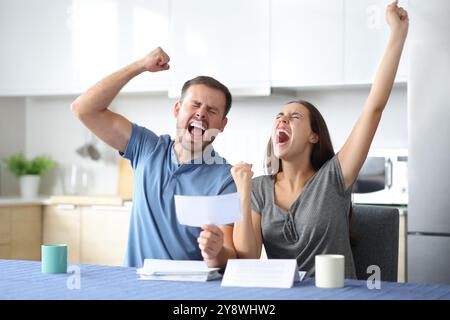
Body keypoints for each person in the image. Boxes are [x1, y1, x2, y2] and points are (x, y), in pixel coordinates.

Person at [231, 0, 409, 278]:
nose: (282, 119)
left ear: (314, 135)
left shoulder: (334, 178)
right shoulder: (258, 189)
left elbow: (374, 107)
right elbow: (247, 259)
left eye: (294, 116)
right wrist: (242, 195)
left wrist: (397, 33)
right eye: (279, 115)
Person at [71, 47, 237, 268]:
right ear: (177, 109)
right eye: (195, 105)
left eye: (212, 110)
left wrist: (215, 252)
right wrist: (140, 65)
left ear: (222, 125)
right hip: (135, 287)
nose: (201, 113)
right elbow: (83, 108)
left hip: (187, 294)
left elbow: (230, 255)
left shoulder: (226, 178)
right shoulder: (147, 148)